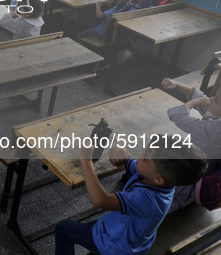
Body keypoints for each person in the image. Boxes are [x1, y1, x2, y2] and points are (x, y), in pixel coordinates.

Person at [54, 136, 207, 255]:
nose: (140, 155)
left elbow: (100, 200)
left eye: (146, 158)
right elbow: (126, 164)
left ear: (159, 179)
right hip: (125, 236)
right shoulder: (160, 181)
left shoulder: (147, 200)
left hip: (114, 244)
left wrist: (86, 161)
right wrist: (117, 153)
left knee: (63, 228)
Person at [162, 77, 221, 212]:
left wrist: (195, 102)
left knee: (158, 205)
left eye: (216, 100)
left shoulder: (215, 131)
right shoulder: (218, 117)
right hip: (197, 170)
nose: (210, 99)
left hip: (188, 183)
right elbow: (206, 101)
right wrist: (176, 84)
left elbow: (177, 115)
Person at [76, 0, 141, 48]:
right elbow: (118, 1)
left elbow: (99, 16)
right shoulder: (132, 7)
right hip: (117, 35)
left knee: (79, 36)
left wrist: (98, 5)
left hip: (103, 33)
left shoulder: (118, 7)